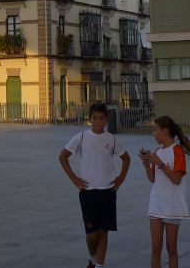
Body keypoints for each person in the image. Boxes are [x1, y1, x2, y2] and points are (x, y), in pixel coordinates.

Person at [60, 101, 132, 268]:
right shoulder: (81, 137)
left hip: (108, 191)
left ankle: (99, 265)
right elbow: (63, 156)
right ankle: (92, 258)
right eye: (95, 118)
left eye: (101, 118)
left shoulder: (112, 139)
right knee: (92, 234)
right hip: (88, 191)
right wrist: (73, 177)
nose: (98, 122)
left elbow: (126, 158)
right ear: (89, 119)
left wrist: (120, 178)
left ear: (106, 120)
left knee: (103, 232)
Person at [140, 115, 190, 268]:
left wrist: (160, 163)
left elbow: (176, 179)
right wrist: (146, 165)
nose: (153, 133)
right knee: (155, 248)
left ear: (165, 131)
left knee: (171, 248)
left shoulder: (177, 151)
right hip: (156, 204)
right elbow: (153, 179)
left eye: (155, 130)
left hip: (172, 206)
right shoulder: (157, 151)